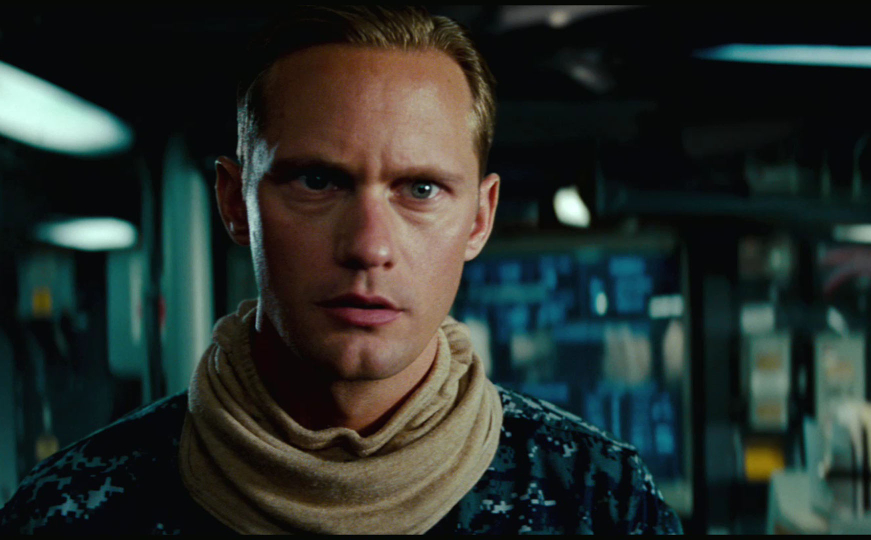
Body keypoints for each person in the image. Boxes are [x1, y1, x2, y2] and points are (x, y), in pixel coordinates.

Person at [0, 6, 682, 534]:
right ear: (235, 204)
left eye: (420, 190)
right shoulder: (70, 512)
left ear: (479, 219)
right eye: (319, 181)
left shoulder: (600, 501)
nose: (369, 246)